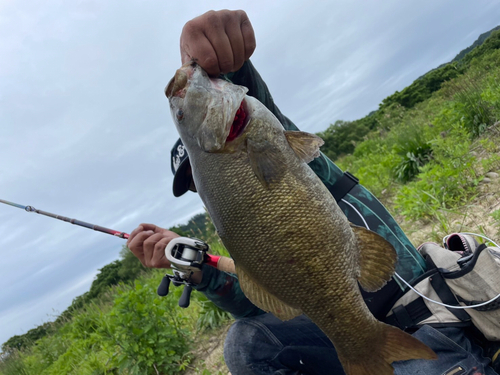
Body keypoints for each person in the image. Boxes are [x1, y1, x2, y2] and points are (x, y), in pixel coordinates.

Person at [127, 10, 498, 375]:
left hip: (420, 314)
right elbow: (267, 304)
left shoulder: (295, 162)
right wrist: (200, 273)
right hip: (343, 331)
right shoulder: (239, 220)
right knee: (245, 343)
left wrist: (227, 64)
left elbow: (263, 113)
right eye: (192, 182)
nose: (200, 181)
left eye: (196, 169)